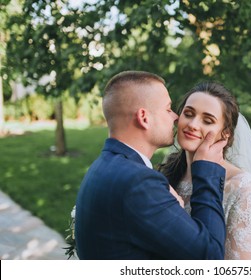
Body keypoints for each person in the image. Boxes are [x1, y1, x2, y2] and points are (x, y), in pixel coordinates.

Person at [75, 71, 228, 260]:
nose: (175, 117)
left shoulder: (102, 166)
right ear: (144, 118)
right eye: (168, 109)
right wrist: (207, 170)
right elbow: (210, 257)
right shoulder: (139, 183)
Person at [159, 81, 251, 260]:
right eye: (189, 114)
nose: (192, 124)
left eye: (207, 120)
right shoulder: (166, 174)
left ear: (225, 134)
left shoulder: (241, 187)